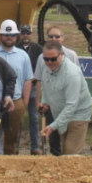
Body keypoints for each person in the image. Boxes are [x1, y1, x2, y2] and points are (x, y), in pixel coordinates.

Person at [38, 41, 92, 155]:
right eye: (46, 59)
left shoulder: (71, 74)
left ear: (61, 55)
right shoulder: (46, 66)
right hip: (61, 113)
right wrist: (44, 102)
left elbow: (72, 105)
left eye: (53, 59)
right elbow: (46, 85)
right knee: (65, 152)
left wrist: (52, 126)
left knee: (71, 154)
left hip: (78, 114)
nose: (49, 62)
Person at [33, 26, 80, 155]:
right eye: (51, 36)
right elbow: (39, 81)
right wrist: (39, 102)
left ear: (63, 38)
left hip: (67, 102)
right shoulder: (41, 57)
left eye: (57, 36)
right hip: (50, 103)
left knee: (68, 137)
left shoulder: (71, 55)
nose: (54, 39)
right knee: (53, 137)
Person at [0, 20, 34, 155]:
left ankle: (10, 161)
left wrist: (24, 102)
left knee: (12, 137)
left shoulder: (23, 55)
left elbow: (28, 79)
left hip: (16, 101)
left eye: (13, 35)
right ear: (0, 36)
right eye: (6, 34)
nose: (9, 37)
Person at [20, 24, 43, 154]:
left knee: (34, 118)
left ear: (31, 34)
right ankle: (15, 146)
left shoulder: (37, 48)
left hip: (33, 87)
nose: (25, 35)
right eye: (23, 33)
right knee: (18, 118)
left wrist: (34, 79)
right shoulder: (16, 48)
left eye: (27, 33)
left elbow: (41, 67)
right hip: (19, 88)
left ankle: (35, 147)